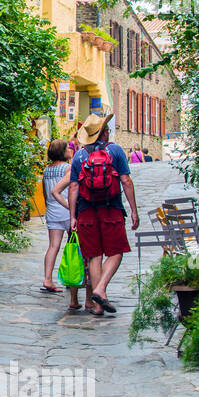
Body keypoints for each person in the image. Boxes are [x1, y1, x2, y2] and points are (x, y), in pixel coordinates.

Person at [66, 113, 139, 317]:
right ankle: (100, 289)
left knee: (94, 256)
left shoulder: (80, 156)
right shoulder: (114, 151)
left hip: (86, 212)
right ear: (104, 133)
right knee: (116, 251)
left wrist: (73, 216)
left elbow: (73, 187)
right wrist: (133, 209)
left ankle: (98, 305)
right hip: (111, 209)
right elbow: (125, 181)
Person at [39, 141, 82, 311]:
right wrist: (71, 208)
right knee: (72, 246)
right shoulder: (68, 168)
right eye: (67, 148)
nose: (70, 150)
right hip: (67, 209)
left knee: (53, 246)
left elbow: (44, 191)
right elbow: (71, 188)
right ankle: (72, 280)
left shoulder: (47, 170)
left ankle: (47, 278)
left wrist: (49, 206)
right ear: (62, 152)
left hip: (52, 211)